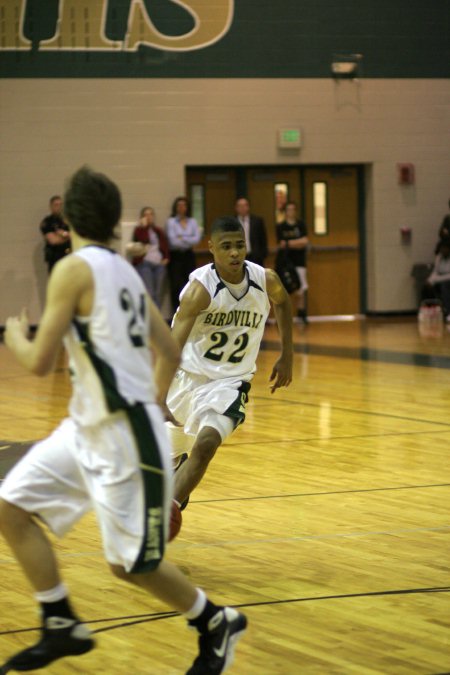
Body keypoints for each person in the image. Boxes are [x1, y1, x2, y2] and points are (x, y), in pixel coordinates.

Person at [0, 167, 246, 675]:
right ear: (114, 220)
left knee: (130, 565)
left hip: (120, 437)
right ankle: (59, 620)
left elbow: (39, 361)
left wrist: (12, 335)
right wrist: (153, 398)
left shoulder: (73, 269)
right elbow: (167, 349)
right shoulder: (123, 272)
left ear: (67, 217)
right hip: (87, 426)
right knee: (9, 507)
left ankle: (215, 620)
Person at [164, 216, 293, 512]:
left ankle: (162, 518)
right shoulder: (201, 290)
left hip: (230, 384)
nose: (234, 253)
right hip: (186, 379)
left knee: (206, 444)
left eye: (240, 245)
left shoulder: (265, 279)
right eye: (226, 247)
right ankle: (169, 489)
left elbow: (283, 301)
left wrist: (288, 354)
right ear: (211, 249)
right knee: (163, 463)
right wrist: (158, 393)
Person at [166, 197, 202, 315]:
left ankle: (189, 313)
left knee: (190, 284)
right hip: (176, 257)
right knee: (176, 285)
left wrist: (181, 237)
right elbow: (173, 241)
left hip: (189, 256)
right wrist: (188, 238)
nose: (181, 207)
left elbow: (196, 239)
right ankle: (176, 313)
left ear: (187, 207)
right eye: (179, 205)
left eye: (184, 205)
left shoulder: (192, 222)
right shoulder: (171, 222)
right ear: (176, 208)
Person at [129, 206, 169, 309]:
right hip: (145, 263)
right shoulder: (139, 230)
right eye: (146, 215)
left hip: (159, 263)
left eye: (151, 214)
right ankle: (150, 321)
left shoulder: (158, 231)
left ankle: (157, 319)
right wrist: (144, 227)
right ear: (142, 217)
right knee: (149, 293)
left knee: (158, 293)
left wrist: (166, 258)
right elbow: (143, 240)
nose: (149, 217)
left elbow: (164, 245)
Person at [276, 201, 309, 323]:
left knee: (300, 288)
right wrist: (296, 243)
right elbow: (281, 244)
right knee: (285, 288)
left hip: (299, 261)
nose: (290, 212)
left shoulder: (301, 225)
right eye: (288, 209)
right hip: (285, 261)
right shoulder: (281, 226)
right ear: (285, 212)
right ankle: (285, 315)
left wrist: (290, 243)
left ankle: (302, 313)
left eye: (293, 209)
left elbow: (305, 241)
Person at [39, 195, 71, 273]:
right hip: (55, 259)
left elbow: (77, 234)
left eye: (61, 205)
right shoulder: (47, 222)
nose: (59, 207)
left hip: (69, 257)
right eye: (56, 205)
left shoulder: (69, 220)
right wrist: (68, 236)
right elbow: (53, 240)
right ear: (51, 206)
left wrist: (63, 234)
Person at [235, 197, 268, 267]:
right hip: (238, 257)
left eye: (245, 205)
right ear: (236, 208)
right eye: (240, 206)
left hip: (255, 257)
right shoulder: (232, 222)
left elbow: (263, 239)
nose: (242, 208)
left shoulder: (257, 221)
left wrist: (262, 255)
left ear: (248, 207)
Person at [423, 237, 450, 319]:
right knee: (426, 287)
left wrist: (435, 280)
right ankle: (430, 310)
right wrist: (430, 281)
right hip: (440, 279)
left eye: (445, 248)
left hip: (447, 280)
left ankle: (448, 311)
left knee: (444, 286)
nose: (443, 250)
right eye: (441, 248)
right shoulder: (439, 257)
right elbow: (435, 271)